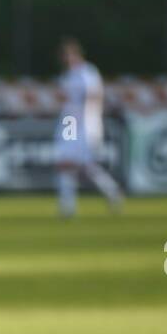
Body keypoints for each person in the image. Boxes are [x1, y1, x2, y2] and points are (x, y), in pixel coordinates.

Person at [54, 38, 122, 218]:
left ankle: (112, 191)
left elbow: (95, 95)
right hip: (69, 123)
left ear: (76, 54)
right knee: (64, 162)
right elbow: (63, 99)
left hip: (86, 123)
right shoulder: (66, 76)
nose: (67, 59)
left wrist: (88, 115)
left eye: (69, 55)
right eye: (64, 56)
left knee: (85, 166)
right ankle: (67, 207)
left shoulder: (87, 72)